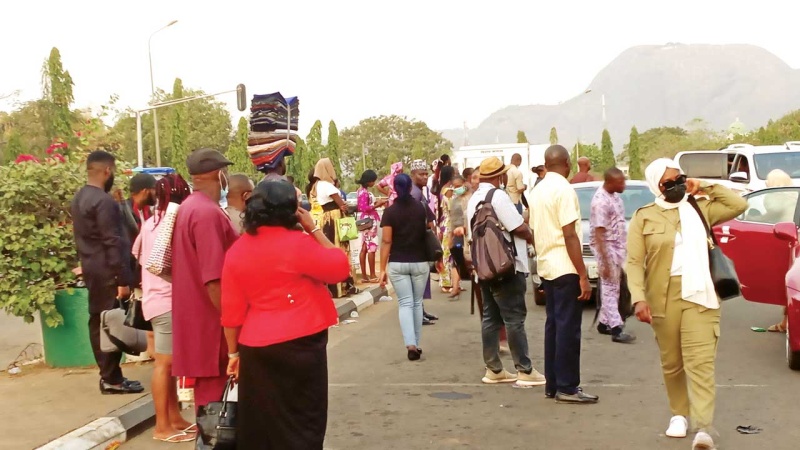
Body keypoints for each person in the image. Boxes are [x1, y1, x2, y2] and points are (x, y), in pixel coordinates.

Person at [627, 158, 747, 449]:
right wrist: (638, 298)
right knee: (672, 363)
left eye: (680, 179)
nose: (677, 185)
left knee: (701, 363)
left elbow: (738, 205)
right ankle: (679, 414)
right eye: (670, 182)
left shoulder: (700, 207)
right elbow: (633, 262)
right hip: (663, 298)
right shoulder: (644, 217)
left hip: (701, 295)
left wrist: (702, 184)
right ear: (657, 185)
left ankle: (703, 428)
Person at [222, 181, 350, 449]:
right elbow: (339, 268)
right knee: (304, 419)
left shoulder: (238, 250)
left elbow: (232, 312)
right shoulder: (298, 244)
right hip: (302, 344)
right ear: (292, 210)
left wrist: (234, 355)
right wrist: (314, 228)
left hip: (257, 347)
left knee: (265, 424)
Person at [171, 148, 239, 412]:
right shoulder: (206, 213)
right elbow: (214, 279)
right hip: (211, 324)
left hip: (196, 319)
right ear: (218, 174)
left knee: (210, 407)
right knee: (216, 411)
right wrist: (230, 323)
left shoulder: (190, 207)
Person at [467, 157, 544, 387]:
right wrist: (532, 234)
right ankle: (525, 369)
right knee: (514, 318)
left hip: (485, 267)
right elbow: (517, 227)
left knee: (491, 317)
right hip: (506, 266)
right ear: (500, 176)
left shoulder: (474, 199)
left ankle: (494, 368)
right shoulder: (498, 196)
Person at [71, 150, 143, 395]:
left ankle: (110, 376)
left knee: (98, 322)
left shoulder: (80, 197)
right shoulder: (103, 202)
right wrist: (122, 279)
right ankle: (112, 379)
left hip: (92, 270)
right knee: (111, 324)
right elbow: (113, 242)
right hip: (108, 272)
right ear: (107, 171)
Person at [530, 145, 597, 404]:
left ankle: (553, 384)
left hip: (547, 266)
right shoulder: (564, 190)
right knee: (568, 328)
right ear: (567, 164)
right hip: (565, 266)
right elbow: (569, 234)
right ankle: (568, 387)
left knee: (554, 326)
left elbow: (534, 232)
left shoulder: (538, 190)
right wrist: (582, 274)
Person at [132, 174, 195, 443]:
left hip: (155, 298)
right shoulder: (172, 223)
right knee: (165, 364)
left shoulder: (150, 223)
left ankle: (174, 417)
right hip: (166, 300)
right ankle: (161, 427)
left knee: (169, 364)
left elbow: (138, 255)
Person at [378, 173, 432, 360]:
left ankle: (410, 343)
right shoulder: (421, 208)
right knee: (417, 303)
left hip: (397, 263)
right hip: (420, 261)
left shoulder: (390, 212)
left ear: (394, 188)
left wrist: (382, 269)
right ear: (410, 188)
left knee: (405, 303)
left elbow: (386, 241)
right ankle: (415, 343)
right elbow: (427, 231)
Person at [590, 168, 635, 343]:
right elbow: (599, 234)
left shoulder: (615, 197)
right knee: (609, 288)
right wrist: (605, 262)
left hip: (617, 249)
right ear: (610, 182)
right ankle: (616, 328)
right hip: (606, 249)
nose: (624, 184)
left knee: (614, 288)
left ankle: (603, 322)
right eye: (620, 182)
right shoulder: (600, 202)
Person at [309, 158, 357, 298]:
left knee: (329, 249)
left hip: (325, 218)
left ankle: (333, 286)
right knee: (339, 249)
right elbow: (342, 204)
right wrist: (345, 207)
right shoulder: (328, 186)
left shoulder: (316, 185)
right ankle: (342, 286)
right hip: (335, 217)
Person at [764, 169, 794, 332]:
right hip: (792, 240)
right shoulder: (793, 194)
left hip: (787, 243)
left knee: (788, 283)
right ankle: (785, 321)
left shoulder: (775, 197)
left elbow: (768, 214)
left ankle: (786, 322)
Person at [410, 159, 438, 325]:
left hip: (421, 240)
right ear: (413, 175)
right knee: (418, 280)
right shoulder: (414, 194)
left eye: (426, 174)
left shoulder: (420, 191)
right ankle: (417, 314)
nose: (425, 177)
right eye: (421, 174)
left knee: (422, 279)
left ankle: (421, 311)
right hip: (417, 242)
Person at [356, 170, 387, 283]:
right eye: (373, 181)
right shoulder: (364, 193)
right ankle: (372, 274)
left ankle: (365, 275)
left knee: (364, 247)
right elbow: (365, 208)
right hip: (369, 221)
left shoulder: (360, 191)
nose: (374, 183)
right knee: (371, 247)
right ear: (369, 181)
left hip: (365, 220)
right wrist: (378, 204)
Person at [447, 175, 469, 298]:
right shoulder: (454, 200)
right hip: (457, 235)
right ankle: (455, 287)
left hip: (468, 234)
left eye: (459, 186)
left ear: (464, 184)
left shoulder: (470, 199)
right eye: (454, 187)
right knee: (456, 260)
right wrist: (450, 236)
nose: (456, 189)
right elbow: (452, 219)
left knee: (468, 261)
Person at [437, 165, 456, 293]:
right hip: (449, 223)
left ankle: (451, 281)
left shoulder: (443, 188)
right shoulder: (448, 190)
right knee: (447, 253)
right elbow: (451, 208)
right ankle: (446, 282)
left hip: (446, 222)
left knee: (449, 252)